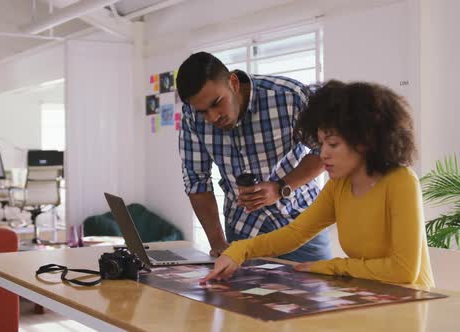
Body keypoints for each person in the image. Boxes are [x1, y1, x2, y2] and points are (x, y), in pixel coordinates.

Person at [200, 80, 435, 287]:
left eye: (332, 144)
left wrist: (331, 267)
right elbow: (294, 234)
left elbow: (403, 272)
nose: (322, 154)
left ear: (365, 141)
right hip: (369, 297)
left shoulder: (401, 181)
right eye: (321, 144)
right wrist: (239, 250)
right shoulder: (338, 186)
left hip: (411, 304)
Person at [176, 52, 332, 262]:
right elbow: (196, 181)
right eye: (203, 111)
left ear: (233, 82)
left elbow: (325, 151)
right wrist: (218, 244)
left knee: (316, 294)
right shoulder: (191, 116)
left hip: (301, 227)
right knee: (241, 296)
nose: (212, 118)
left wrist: (281, 187)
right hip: (241, 232)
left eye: (216, 103)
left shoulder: (289, 96)